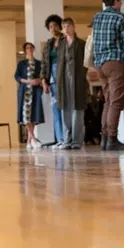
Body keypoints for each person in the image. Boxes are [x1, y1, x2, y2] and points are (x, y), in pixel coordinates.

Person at [90, 0, 124, 151]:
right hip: (116, 63)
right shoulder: (119, 17)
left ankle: (105, 138)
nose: (121, 3)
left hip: (100, 65)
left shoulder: (97, 17)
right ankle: (112, 139)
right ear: (116, 1)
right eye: (120, 0)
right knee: (116, 102)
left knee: (108, 101)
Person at [54, 18, 88, 149]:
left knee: (77, 109)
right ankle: (67, 140)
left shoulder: (81, 43)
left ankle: (76, 141)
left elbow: (86, 62)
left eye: (68, 26)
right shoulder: (61, 44)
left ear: (73, 26)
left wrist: (83, 75)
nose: (66, 29)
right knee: (65, 109)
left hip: (77, 79)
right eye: (64, 27)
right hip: (63, 79)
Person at [40, 14, 65, 147]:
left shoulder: (65, 40)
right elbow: (44, 63)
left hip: (64, 76)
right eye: (50, 26)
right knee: (55, 109)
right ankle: (60, 139)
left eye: (55, 25)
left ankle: (67, 138)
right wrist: (44, 81)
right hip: (52, 78)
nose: (53, 28)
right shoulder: (48, 44)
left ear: (60, 26)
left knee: (65, 108)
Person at [15, 42, 45, 150]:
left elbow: (42, 76)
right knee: (26, 116)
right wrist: (28, 81)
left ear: (34, 49)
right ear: (25, 50)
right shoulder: (21, 64)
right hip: (25, 92)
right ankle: (34, 139)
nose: (30, 49)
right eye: (27, 48)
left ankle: (29, 141)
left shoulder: (39, 63)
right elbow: (17, 77)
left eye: (31, 47)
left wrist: (39, 81)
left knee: (33, 116)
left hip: (35, 92)